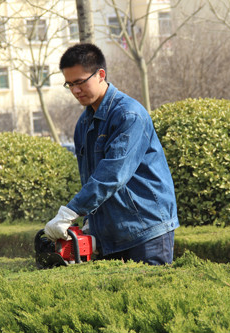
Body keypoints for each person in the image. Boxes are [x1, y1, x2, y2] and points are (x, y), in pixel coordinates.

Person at [44, 43, 179, 265]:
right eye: (69, 84)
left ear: (100, 75)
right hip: (111, 234)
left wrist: (71, 212)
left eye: (80, 82)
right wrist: (90, 223)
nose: (75, 90)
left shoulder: (129, 115)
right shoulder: (84, 123)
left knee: (148, 297)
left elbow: (112, 174)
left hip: (147, 229)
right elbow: (90, 178)